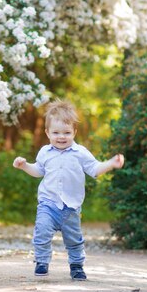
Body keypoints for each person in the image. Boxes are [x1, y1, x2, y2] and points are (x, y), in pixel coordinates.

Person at [12, 99, 125, 280]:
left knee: (74, 240)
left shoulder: (80, 153)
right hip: (48, 204)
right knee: (41, 232)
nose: (61, 137)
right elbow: (38, 171)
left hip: (71, 207)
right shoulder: (45, 152)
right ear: (47, 132)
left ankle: (76, 266)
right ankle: (41, 261)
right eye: (56, 132)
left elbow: (95, 169)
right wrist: (24, 166)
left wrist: (110, 164)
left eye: (66, 132)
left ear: (74, 132)